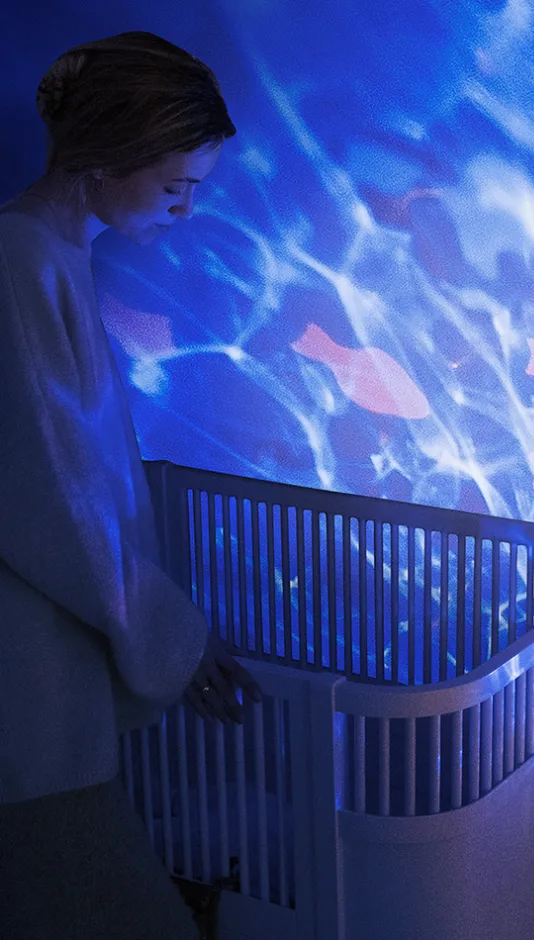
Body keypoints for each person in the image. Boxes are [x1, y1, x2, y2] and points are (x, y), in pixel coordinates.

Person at [0, 32, 262, 939]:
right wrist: (177, 638)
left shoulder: (50, 257)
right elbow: (48, 498)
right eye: (176, 185)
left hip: (48, 684)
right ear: (108, 157)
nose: (186, 210)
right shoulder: (20, 262)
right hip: (25, 694)